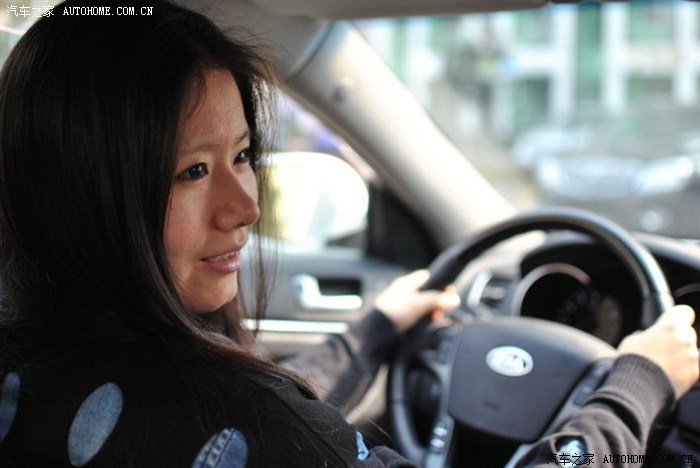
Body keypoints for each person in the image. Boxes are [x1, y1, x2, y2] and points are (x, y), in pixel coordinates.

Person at [0, 1, 696, 467]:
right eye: (192, 171)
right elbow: (266, 425)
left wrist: (375, 331)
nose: (244, 207)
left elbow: (253, 423)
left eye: (242, 156)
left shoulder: (31, 369)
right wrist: (639, 383)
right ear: (81, 191)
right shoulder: (255, 423)